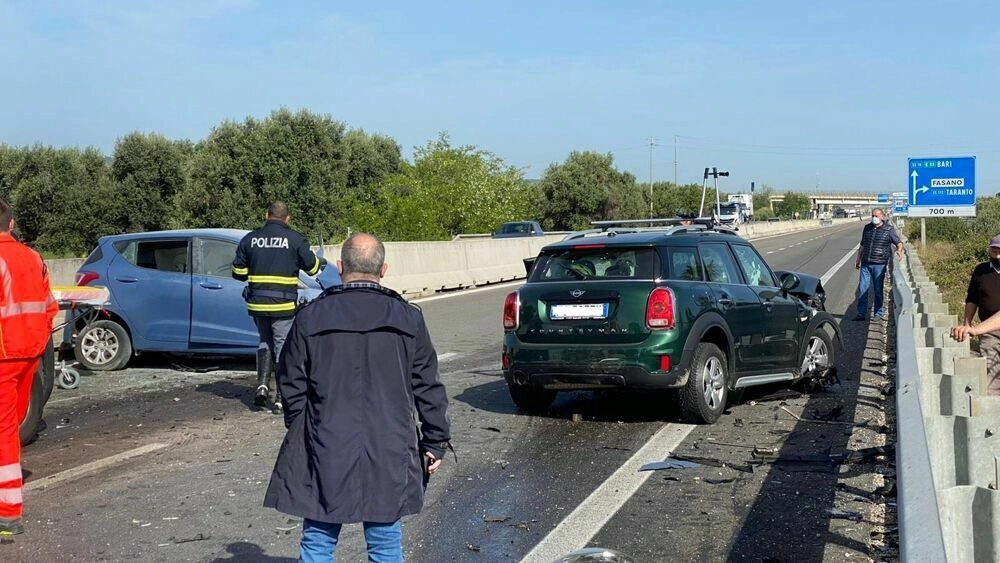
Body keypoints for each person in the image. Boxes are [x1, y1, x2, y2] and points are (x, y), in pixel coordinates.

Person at [264, 233, 451, 563]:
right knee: (384, 544)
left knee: (319, 537)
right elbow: (428, 387)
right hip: (390, 444)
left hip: (324, 441)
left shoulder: (310, 317)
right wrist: (434, 442)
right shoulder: (408, 318)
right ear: (384, 269)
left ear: (339, 267)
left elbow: (290, 381)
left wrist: (302, 429)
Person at [232, 201, 325, 412]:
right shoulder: (295, 239)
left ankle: (262, 386)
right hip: (283, 305)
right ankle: (281, 397)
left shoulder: (250, 239)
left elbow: (237, 273)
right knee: (283, 345)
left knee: (264, 341)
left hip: (257, 304)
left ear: (266, 215)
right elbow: (312, 269)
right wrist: (319, 260)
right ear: (288, 219)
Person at [0, 199, 58, 535]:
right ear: (11, 224)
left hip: (5, 354)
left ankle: (8, 513)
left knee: (4, 432)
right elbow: (49, 307)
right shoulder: (33, 257)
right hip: (28, 354)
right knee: (10, 428)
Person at [950, 235, 1000, 389]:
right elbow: (972, 298)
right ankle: (992, 407)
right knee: (991, 376)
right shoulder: (981, 271)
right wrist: (967, 324)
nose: (997, 256)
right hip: (989, 332)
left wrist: (975, 330)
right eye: (994, 251)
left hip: (984, 328)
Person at [854, 208, 904, 320]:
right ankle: (861, 314)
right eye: (873, 215)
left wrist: (899, 251)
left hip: (879, 264)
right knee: (862, 289)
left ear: (882, 216)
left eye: (876, 216)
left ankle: (878, 313)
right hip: (866, 263)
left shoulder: (888, 229)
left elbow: (899, 243)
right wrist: (858, 260)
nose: (874, 218)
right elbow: (862, 245)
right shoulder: (867, 228)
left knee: (878, 289)